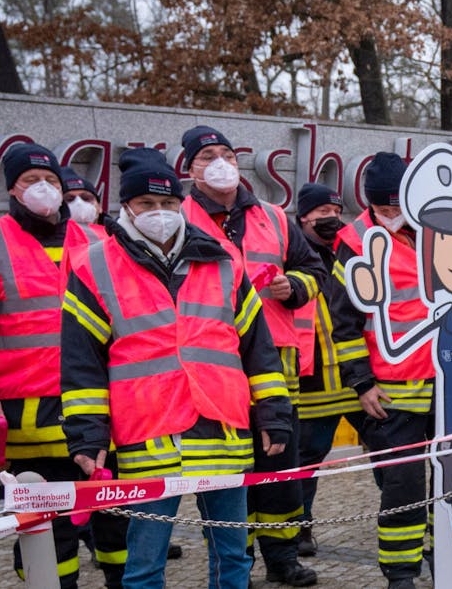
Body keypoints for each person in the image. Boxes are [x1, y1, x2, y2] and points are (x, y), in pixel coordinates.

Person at [61, 147, 294, 589]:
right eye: (147, 205)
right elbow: (81, 363)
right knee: (146, 563)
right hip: (148, 433)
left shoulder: (223, 259)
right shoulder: (94, 266)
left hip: (222, 427)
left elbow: (257, 348)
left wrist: (274, 413)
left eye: (168, 204)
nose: (160, 213)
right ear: (126, 207)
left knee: (233, 557)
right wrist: (89, 434)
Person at [334, 153, 452, 589]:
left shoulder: (431, 227)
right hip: (391, 388)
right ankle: (401, 572)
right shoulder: (355, 240)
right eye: (383, 210)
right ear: (370, 205)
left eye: (397, 207)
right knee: (402, 483)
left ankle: (447, 556)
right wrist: (362, 383)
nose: (393, 217)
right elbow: (343, 323)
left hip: (447, 379)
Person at [0, 143, 125, 587]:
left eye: (51, 180)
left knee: (113, 519)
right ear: (12, 188)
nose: (43, 188)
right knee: (44, 529)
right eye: (31, 180)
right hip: (25, 415)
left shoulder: (97, 240)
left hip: (96, 409)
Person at [178, 126, 325, 586]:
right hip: (214, 364)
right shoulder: (175, 220)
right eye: (207, 156)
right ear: (190, 169)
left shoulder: (275, 217)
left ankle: (282, 559)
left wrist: (294, 286)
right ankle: (232, 559)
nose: (220, 162)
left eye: (226, 153)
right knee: (226, 469)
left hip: (275, 362)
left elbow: (314, 268)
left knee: (279, 466)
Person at [288, 183, 365, 558]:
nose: (331, 219)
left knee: (390, 456)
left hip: (355, 379)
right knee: (306, 462)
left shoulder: (347, 252)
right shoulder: (292, 255)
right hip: (311, 380)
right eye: (322, 213)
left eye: (336, 213)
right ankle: (299, 530)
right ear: (303, 217)